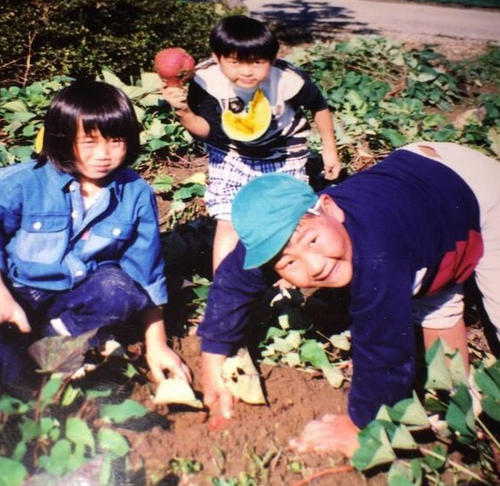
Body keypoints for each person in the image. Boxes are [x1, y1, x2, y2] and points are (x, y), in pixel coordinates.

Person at [196, 141, 500, 457]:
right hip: (420, 196)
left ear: (330, 208)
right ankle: (460, 405)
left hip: (480, 192)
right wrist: (213, 351)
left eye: (312, 240)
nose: (314, 266)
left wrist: (362, 427)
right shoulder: (285, 227)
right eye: (288, 263)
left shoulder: (378, 256)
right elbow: (234, 279)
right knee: (429, 291)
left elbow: (384, 349)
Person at [0, 80, 190, 387]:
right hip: (15, 291)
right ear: (62, 140)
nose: (103, 154)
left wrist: (157, 344)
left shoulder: (135, 193)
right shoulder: (23, 183)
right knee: (12, 378)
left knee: (120, 290)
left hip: (75, 297)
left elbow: (146, 274)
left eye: (115, 141)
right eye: (89, 142)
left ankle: (56, 342)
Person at [162, 15, 340, 271]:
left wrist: (329, 151)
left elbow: (319, 106)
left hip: (284, 152)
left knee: (289, 220)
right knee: (228, 221)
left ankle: (289, 280)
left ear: (273, 58)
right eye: (234, 62)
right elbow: (208, 130)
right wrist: (183, 112)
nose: (246, 71)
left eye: (258, 62)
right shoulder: (206, 81)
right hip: (230, 154)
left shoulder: (288, 80)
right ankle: (223, 295)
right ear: (217, 57)